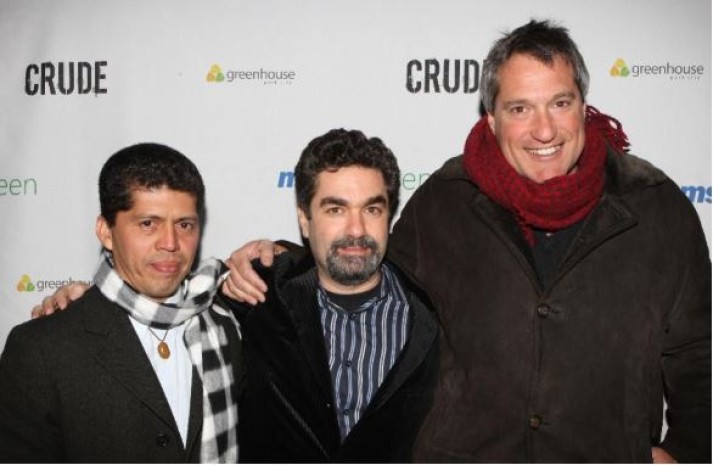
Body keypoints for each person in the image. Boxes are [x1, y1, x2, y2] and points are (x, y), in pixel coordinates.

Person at [221, 20, 711, 462]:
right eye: (520, 108)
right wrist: (281, 259)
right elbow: (369, 264)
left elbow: (701, 353)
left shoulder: (656, 208)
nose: (544, 129)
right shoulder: (446, 199)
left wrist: (685, 451)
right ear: (492, 120)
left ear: (584, 106)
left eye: (560, 103)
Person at [27, 130, 438, 463]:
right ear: (304, 219)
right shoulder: (255, 296)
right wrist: (91, 299)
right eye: (334, 209)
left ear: (390, 213)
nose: (354, 229)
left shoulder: (433, 317)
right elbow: (163, 302)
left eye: (372, 208)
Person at [0, 143, 241, 462]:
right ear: (106, 232)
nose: (170, 243)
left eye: (184, 225)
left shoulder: (227, 323)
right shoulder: (40, 349)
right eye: (148, 224)